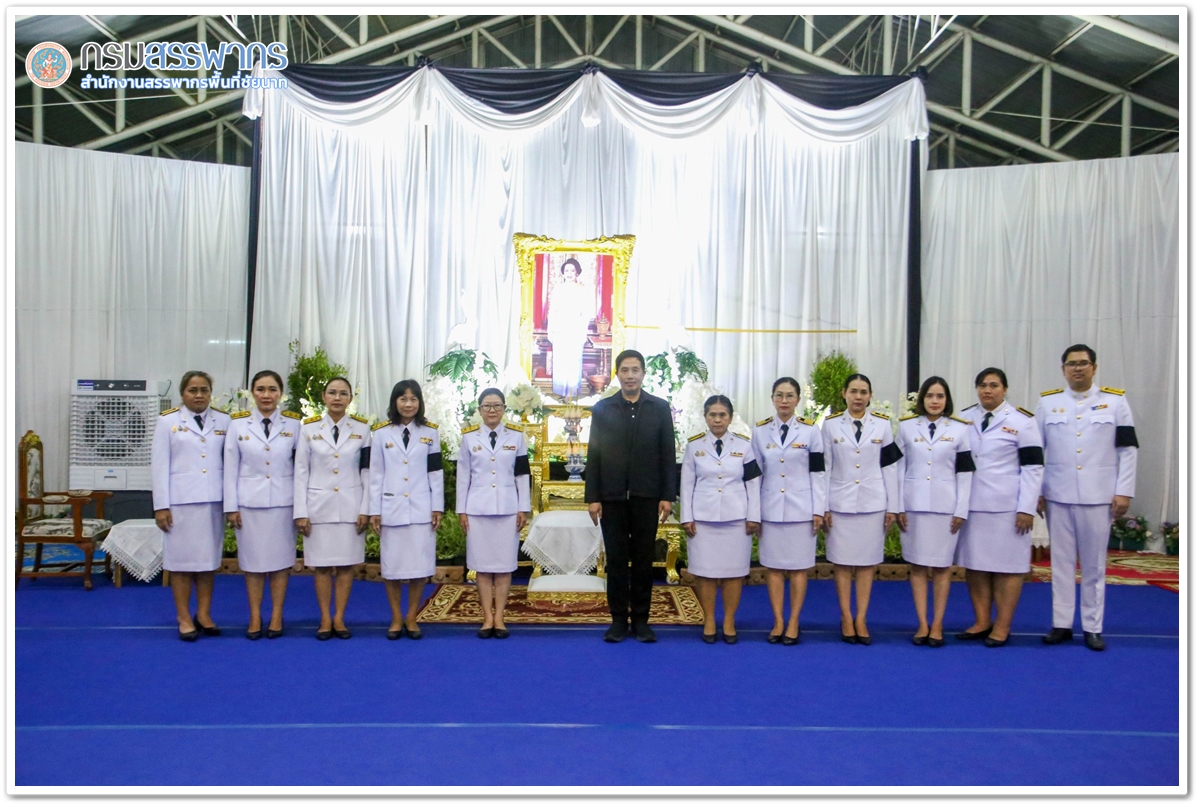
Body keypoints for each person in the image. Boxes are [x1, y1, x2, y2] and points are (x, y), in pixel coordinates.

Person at [1036, 344, 1137, 652]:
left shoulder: (1115, 402)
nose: (1077, 368)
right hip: (1058, 494)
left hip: (1098, 495)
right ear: (1063, 369)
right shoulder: (1048, 403)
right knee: (1061, 564)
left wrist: (1123, 490)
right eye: (1071, 364)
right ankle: (1062, 624)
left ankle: (1093, 627)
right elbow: (1035, 452)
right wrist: (1037, 491)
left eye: (1083, 363)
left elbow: (1128, 449)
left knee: (1094, 566)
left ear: (1094, 367)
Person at [585, 349, 678, 644]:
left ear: (643, 374)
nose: (630, 375)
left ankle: (641, 619)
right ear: (617, 373)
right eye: (624, 370)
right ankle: (616, 620)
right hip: (611, 497)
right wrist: (593, 496)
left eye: (635, 370)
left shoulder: (659, 408)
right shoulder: (603, 409)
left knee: (642, 560)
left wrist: (667, 495)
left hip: (647, 495)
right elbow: (594, 454)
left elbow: (667, 454)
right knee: (616, 558)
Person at [954, 368, 1044, 647]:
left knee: (1008, 568)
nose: (987, 390)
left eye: (993, 385)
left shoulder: (1022, 421)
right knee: (976, 566)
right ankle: (982, 621)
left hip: (1009, 507)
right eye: (982, 385)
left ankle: (1002, 625)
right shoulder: (964, 418)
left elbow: (1033, 467)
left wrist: (1026, 507)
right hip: (973, 505)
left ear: (1005, 389)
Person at [821, 373, 900, 646]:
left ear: (870, 396)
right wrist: (823, 506)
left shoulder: (882, 425)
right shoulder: (830, 426)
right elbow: (825, 468)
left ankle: (861, 618)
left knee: (867, 565)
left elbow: (890, 467)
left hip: (872, 503)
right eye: (853, 391)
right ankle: (845, 617)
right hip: (840, 504)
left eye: (863, 392)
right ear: (844, 393)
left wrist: (893, 505)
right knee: (842, 564)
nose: (858, 397)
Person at [152, 370, 231, 642]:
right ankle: (184, 616)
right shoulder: (167, 422)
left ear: (211, 393)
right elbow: (159, 466)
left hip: (212, 501)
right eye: (193, 390)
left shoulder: (225, 420)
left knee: (207, 563)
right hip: (180, 504)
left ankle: (204, 614)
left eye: (204, 390)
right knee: (182, 563)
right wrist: (161, 506)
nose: (199, 395)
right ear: (183, 394)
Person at [897, 376, 974, 647]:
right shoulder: (906, 427)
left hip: (946, 508)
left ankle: (938, 624)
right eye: (930, 396)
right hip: (913, 506)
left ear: (947, 400)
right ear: (922, 399)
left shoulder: (960, 429)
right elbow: (898, 469)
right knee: (917, 566)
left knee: (942, 568)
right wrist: (897, 506)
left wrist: (961, 509)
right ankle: (922, 624)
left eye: (940, 396)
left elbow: (965, 473)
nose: (934, 401)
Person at [223, 370, 301, 639]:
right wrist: (230, 507)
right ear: (252, 393)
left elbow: (301, 470)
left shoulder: (294, 425)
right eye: (260, 389)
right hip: (249, 504)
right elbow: (230, 468)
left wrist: (301, 509)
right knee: (253, 564)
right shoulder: (238, 424)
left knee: (280, 563)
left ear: (281, 393)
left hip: (283, 503)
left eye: (272, 389)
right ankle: (255, 615)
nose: (266, 395)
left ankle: (277, 615)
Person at [293, 377, 371, 641]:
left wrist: (366, 508)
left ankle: (340, 617)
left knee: (347, 566)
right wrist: (300, 511)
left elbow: (367, 472)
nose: (337, 398)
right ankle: (325, 618)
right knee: (323, 567)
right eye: (332, 393)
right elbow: (301, 471)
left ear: (350, 398)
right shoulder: (308, 428)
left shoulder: (363, 429)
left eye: (343, 394)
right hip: (318, 508)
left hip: (351, 507)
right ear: (324, 397)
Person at [751, 377, 826, 645]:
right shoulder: (760, 431)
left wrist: (819, 509)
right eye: (779, 395)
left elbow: (818, 473)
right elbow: (754, 475)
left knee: (798, 569)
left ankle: (793, 621)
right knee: (772, 568)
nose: (784, 401)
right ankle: (778, 621)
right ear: (772, 398)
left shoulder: (810, 431)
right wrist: (754, 512)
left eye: (790, 396)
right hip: (770, 510)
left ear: (798, 400)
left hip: (801, 510)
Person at [681, 395, 762, 644]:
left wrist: (754, 516)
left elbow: (753, 483)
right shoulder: (694, 446)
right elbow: (686, 484)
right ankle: (708, 619)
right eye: (712, 415)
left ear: (730, 417)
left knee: (733, 573)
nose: (717, 420)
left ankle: (728, 620)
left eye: (722, 415)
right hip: (703, 519)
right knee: (705, 573)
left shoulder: (744, 446)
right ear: (705, 417)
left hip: (736, 519)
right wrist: (687, 517)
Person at [369, 380, 444, 640]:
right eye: (403, 399)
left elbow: (435, 473)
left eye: (413, 399)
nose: (408, 404)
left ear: (420, 402)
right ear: (395, 402)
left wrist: (437, 506)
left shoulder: (430, 433)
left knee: (419, 567)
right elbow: (375, 474)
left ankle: (411, 616)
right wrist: (373, 510)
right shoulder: (380, 433)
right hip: (391, 507)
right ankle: (395, 617)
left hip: (421, 508)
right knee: (392, 567)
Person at [457, 388, 532, 639]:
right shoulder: (469, 438)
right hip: (477, 510)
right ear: (479, 410)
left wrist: (524, 507)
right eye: (487, 406)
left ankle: (499, 616)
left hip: (508, 510)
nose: (492, 410)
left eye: (497, 406)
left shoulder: (516, 437)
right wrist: (461, 510)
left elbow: (522, 474)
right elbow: (463, 476)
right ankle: (486, 617)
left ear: (504, 409)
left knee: (503, 567)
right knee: (482, 566)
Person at [546, 258, 594, 397]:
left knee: (574, 360)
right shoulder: (558, 289)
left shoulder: (583, 289)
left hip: (575, 328)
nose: (569, 273)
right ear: (563, 272)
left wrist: (582, 331)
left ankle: (572, 393)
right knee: (560, 360)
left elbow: (585, 313)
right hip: (560, 329)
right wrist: (551, 330)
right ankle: (560, 392)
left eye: (572, 270)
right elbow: (552, 311)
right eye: (566, 270)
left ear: (577, 272)